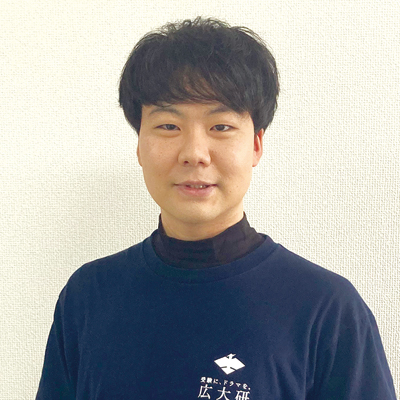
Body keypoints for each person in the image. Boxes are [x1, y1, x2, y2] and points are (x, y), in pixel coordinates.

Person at [36, 16, 397, 399]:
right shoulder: (88, 296)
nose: (194, 153)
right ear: (139, 145)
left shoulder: (326, 309)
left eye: (221, 127)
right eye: (168, 126)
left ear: (256, 145)